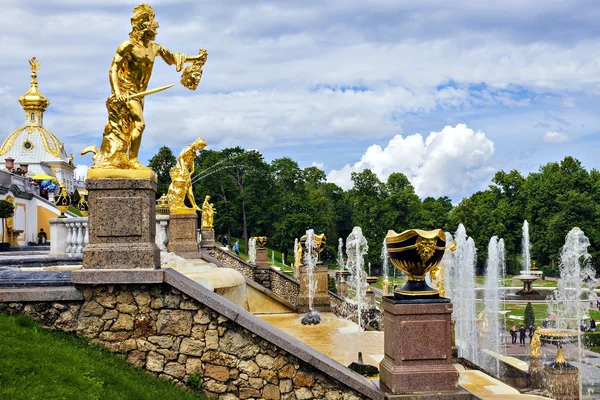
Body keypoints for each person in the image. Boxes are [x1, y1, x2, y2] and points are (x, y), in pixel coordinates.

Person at [81, 4, 207, 169]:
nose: (156, 31)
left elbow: (174, 58)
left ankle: (115, 157)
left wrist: (197, 58)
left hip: (140, 94)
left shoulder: (155, 48)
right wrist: (117, 92)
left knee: (127, 128)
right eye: (154, 28)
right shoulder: (128, 46)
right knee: (140, 124)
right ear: (143, 28)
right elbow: (113, 69)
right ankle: (133, 160)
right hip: (126, 92)